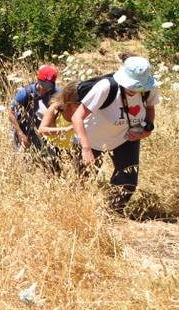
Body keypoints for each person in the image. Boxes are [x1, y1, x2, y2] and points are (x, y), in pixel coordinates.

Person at [68, 56, 159, 214]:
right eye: (131, 85)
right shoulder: (106, 88)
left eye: (139, 87)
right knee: (81, 181)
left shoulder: (150, 88)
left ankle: (111, 215)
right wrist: (86, 148)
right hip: (91, 140)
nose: (135, 90)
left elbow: (149, 110)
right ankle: (75, 214)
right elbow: (77, 117)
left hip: (125, 138)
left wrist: (146, 130)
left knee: (128, 182)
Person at [9, 65, 59, 152]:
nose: (45, 88)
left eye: (48, 86)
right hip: (24, 130)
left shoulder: (56, 93)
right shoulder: (25, 93)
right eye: (43, 85)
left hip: (44, 134)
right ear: (37, 79)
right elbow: (11, 114)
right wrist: (21, 134)